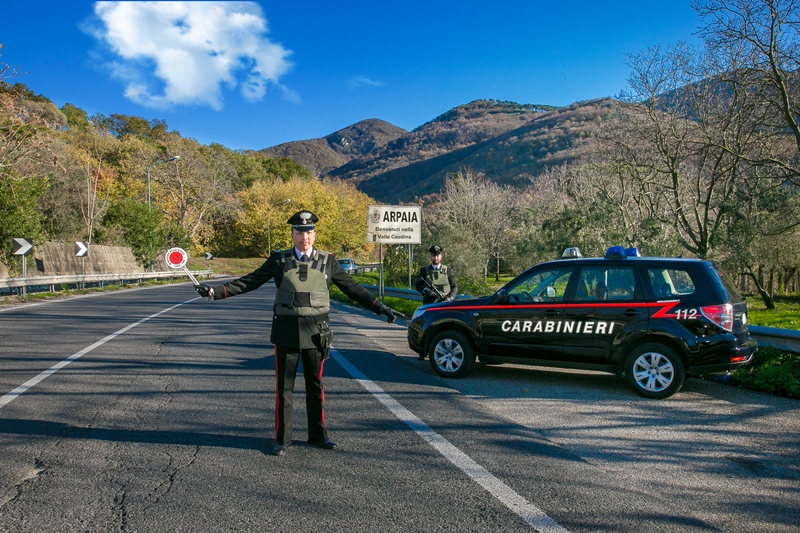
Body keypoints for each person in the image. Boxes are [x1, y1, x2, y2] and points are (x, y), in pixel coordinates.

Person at [195, 210, 397, 457]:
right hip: (286, 331)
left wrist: (381, 309)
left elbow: (353, 289)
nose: (305, 238)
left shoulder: (328, 261)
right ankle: (282, 439)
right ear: (292, 235)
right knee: (284, 387)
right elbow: (250, 281)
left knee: (315, 385)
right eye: (300, 233)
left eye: (309, 232)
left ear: (314, 234)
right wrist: (215, 292)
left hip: (316, 332)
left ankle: (318, 436)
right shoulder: (278, 260)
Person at [414, 245, 457, 359]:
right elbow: (418, 285)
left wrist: (450, 298)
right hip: (430, 304)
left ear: (441, 256)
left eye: (437, 255)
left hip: (445, 304)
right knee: (427, 327)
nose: (435, 257)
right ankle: (422, 351)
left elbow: (454, 287)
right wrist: (426, 290)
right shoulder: (424, 271)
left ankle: (444, 350)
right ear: (430, 256)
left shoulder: (448, 270)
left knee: (445, 327)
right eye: (433, 255)